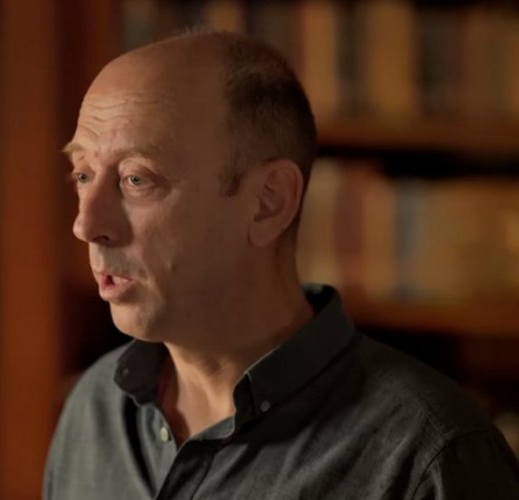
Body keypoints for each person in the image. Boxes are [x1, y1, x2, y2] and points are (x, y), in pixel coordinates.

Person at [44, 31, 519, 499]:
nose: (86, 225)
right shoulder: (95, 409)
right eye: (83, 174)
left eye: (135, 179)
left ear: (267, 203)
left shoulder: (427, 458)